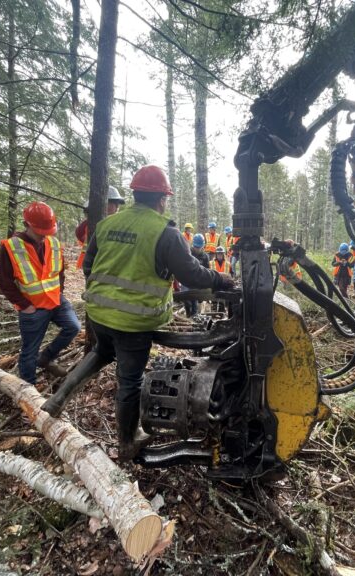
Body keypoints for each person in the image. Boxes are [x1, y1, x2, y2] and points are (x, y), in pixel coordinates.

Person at [79, 165, 235, 460]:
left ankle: (59, 399)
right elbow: (192, 275)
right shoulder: (166, 232)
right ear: (162, 199)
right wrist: (220, 279)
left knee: (102, 352)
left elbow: (89, 267)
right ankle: (127, 441)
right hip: (132, 321)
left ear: (135, 194)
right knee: (130, 381)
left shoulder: (107, 224)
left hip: (98, 313)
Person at [0, 201, 81, 385]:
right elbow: (4, 281)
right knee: (29, 351)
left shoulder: (53, 242)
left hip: (55, 300)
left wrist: (59, 292)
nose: (44, 236)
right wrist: (25, 306)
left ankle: (46, 358)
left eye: (47, 232)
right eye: (40, 232)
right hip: (32, 308)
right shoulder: (11, 247)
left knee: (73, 327)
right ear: (27, 225)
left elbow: (60, 272)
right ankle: (28, 388)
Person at [76, 186, 125, 269]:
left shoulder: (119, 223)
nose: (117, 207)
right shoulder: (93, 224)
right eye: (114, 203)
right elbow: (80, 234)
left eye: (117, 204)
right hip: (94, 266)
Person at [184, 233, 210, 317]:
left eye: (199, 247)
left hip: (198, 281)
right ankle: (188, 314)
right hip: (187, 279)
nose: (197, 249)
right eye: (196, 247)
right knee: (186, 298)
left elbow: (207, 271)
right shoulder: (188, 253)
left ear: (203, 246)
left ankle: (194, 316)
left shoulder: (205, 256)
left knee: (195, 299)